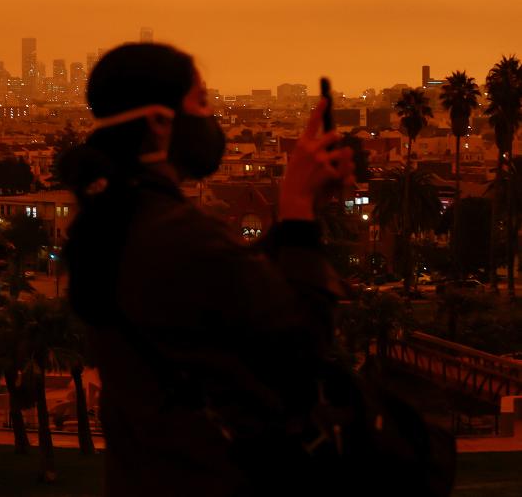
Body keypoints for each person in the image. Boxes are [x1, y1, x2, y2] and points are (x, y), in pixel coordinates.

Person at [63, 43, 355, 495]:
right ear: (160, 123)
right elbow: (303, 342)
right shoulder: (174, 232)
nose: (212, 114)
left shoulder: (105, 224)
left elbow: (233, 289)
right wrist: (297, 209)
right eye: (201, 101)